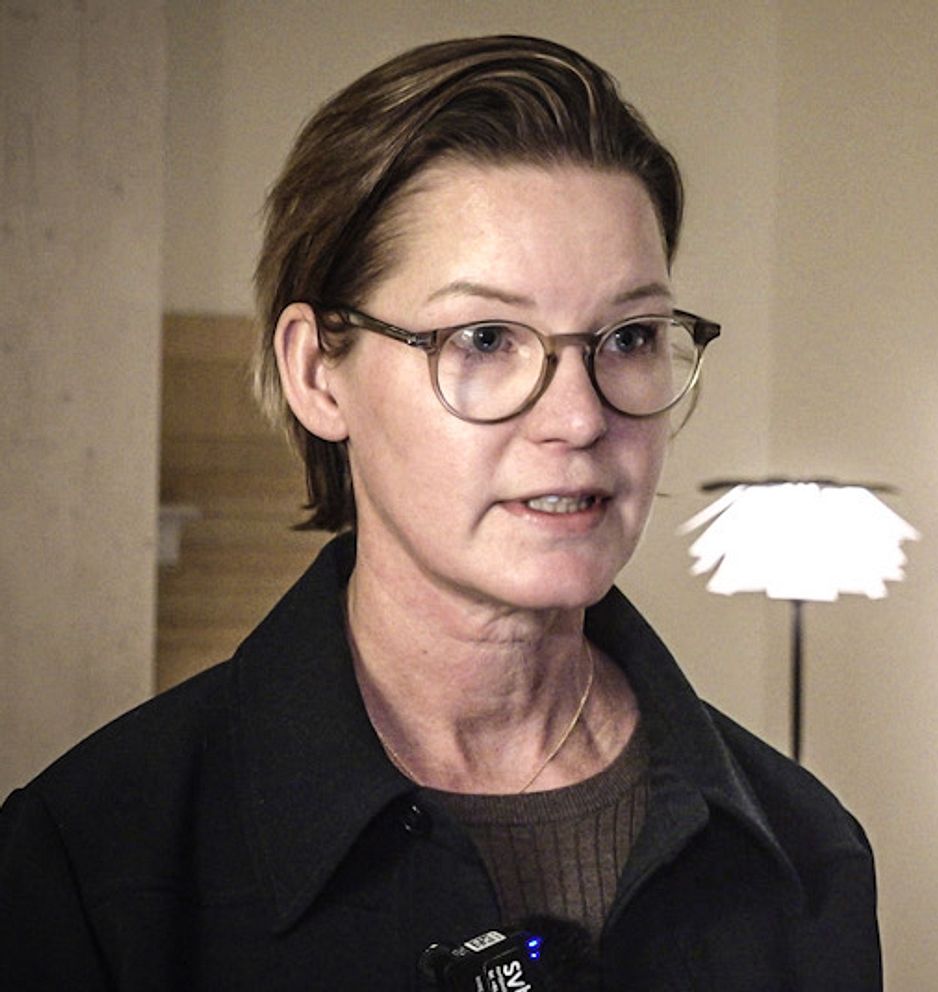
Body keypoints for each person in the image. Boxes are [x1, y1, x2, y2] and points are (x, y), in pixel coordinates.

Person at [0, 35, 881, 990]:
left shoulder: (808, 853)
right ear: (316, 373)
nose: (580, 416)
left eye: (629, 336)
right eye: (487, 338)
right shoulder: (91, 863)